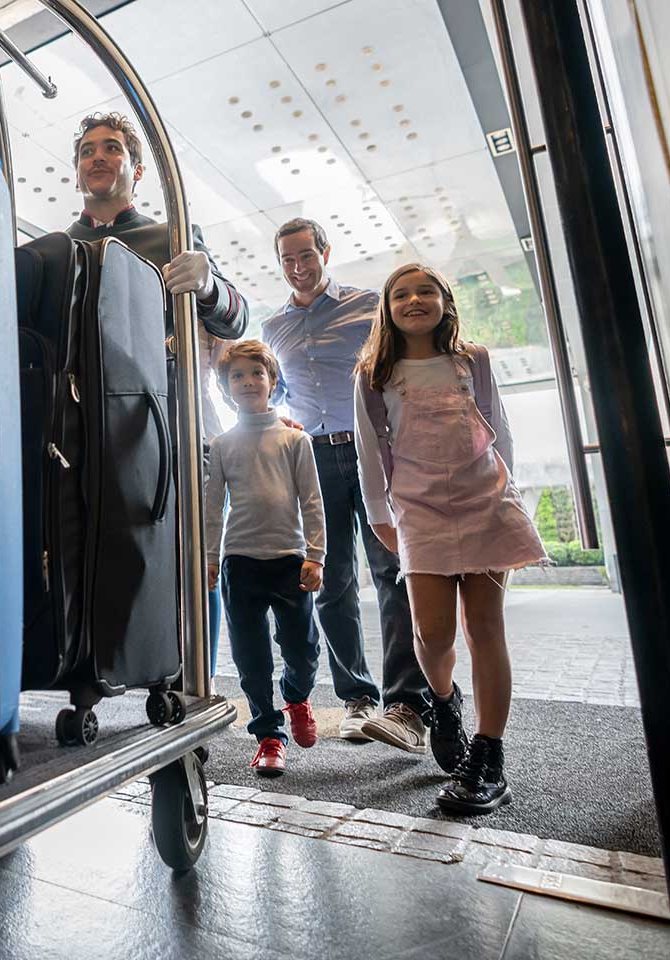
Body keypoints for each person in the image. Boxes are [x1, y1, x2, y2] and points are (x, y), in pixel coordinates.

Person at [353, 263, 549, 813]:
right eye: (401, 294)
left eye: (426, 290)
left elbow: (499, 430)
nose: (414, 300)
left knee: (485, 627)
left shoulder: (474, 360)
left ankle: (489, 756)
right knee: (432, 634)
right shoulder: (375, 374)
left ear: (446, 301)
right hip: (418, 512)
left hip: (485, 502)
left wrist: (502, 492)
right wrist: (379, 517)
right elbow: (372, 454)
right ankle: (444, 701)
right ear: (387, 309)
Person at [65, 112, 247, 674]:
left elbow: (236, 321)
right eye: (89, 150)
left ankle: (194, 680)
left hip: (161, 423)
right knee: (90, 550)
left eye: (113, 148)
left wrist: (210, 283)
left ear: (137, 169)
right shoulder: (58, 248)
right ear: (76, 171)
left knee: (182, 559)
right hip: (79, 427)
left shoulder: (171, 236)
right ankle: (96, 669)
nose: (99, 157)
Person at [261, 218, 440, 761]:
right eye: (287, 259)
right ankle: (357, 698)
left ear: (324, 251)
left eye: (305, 255)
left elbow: (394, 372)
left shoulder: (367, 305)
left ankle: (405, 700)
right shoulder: (274, 328)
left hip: (373, 451)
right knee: (331, 580)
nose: (297, 266)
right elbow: (276, 391)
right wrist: (281, 421)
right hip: (314, 455)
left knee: (392, 572)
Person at [203, 341, 324, 776]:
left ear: (272, 381)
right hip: (240, 562)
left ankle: (296, 696)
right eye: (237, 376)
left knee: (303, 649)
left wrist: (317, 555)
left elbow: (312, 502)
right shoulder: (221, 445)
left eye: (257, 373)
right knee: (251, 658)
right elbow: (213, 506)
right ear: (225, 387)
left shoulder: (295, 440)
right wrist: (211, 559)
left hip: (290, 560)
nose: (248, 381)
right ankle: (269, 736)